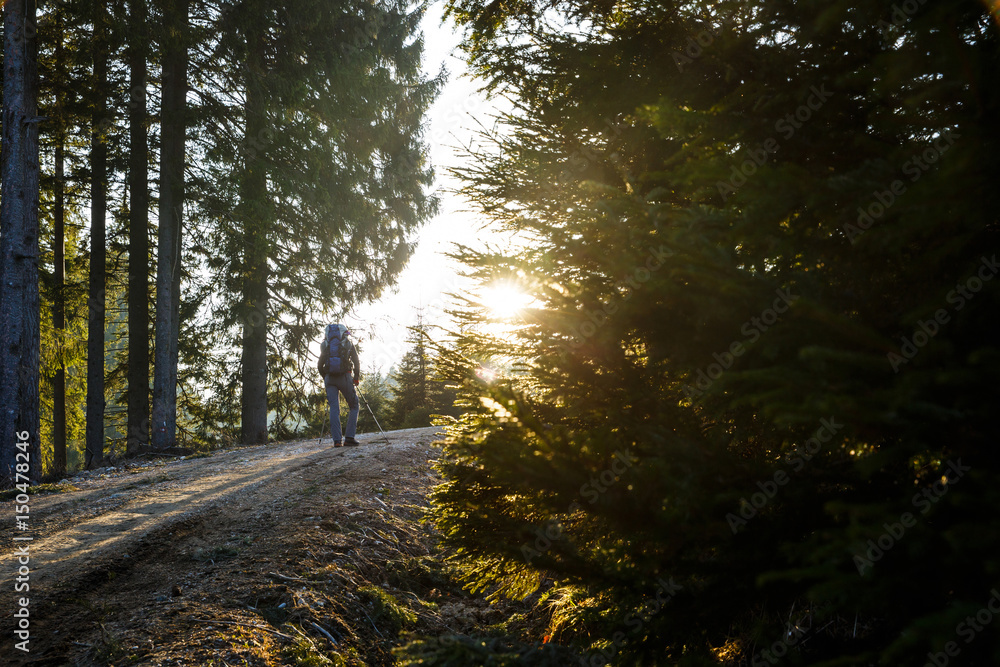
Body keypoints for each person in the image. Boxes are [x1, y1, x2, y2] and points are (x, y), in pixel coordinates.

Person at [317, 324, 362, 447]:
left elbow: (319, 366)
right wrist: (356, 377)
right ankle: (349, 438)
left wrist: (326, 377)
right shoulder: (347, 344)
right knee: (354, 405)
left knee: (334, 409)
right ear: (343, 333)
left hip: (329, 379)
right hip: (345, 377)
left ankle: (337, 441)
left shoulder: (325, 345)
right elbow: (356, 361)